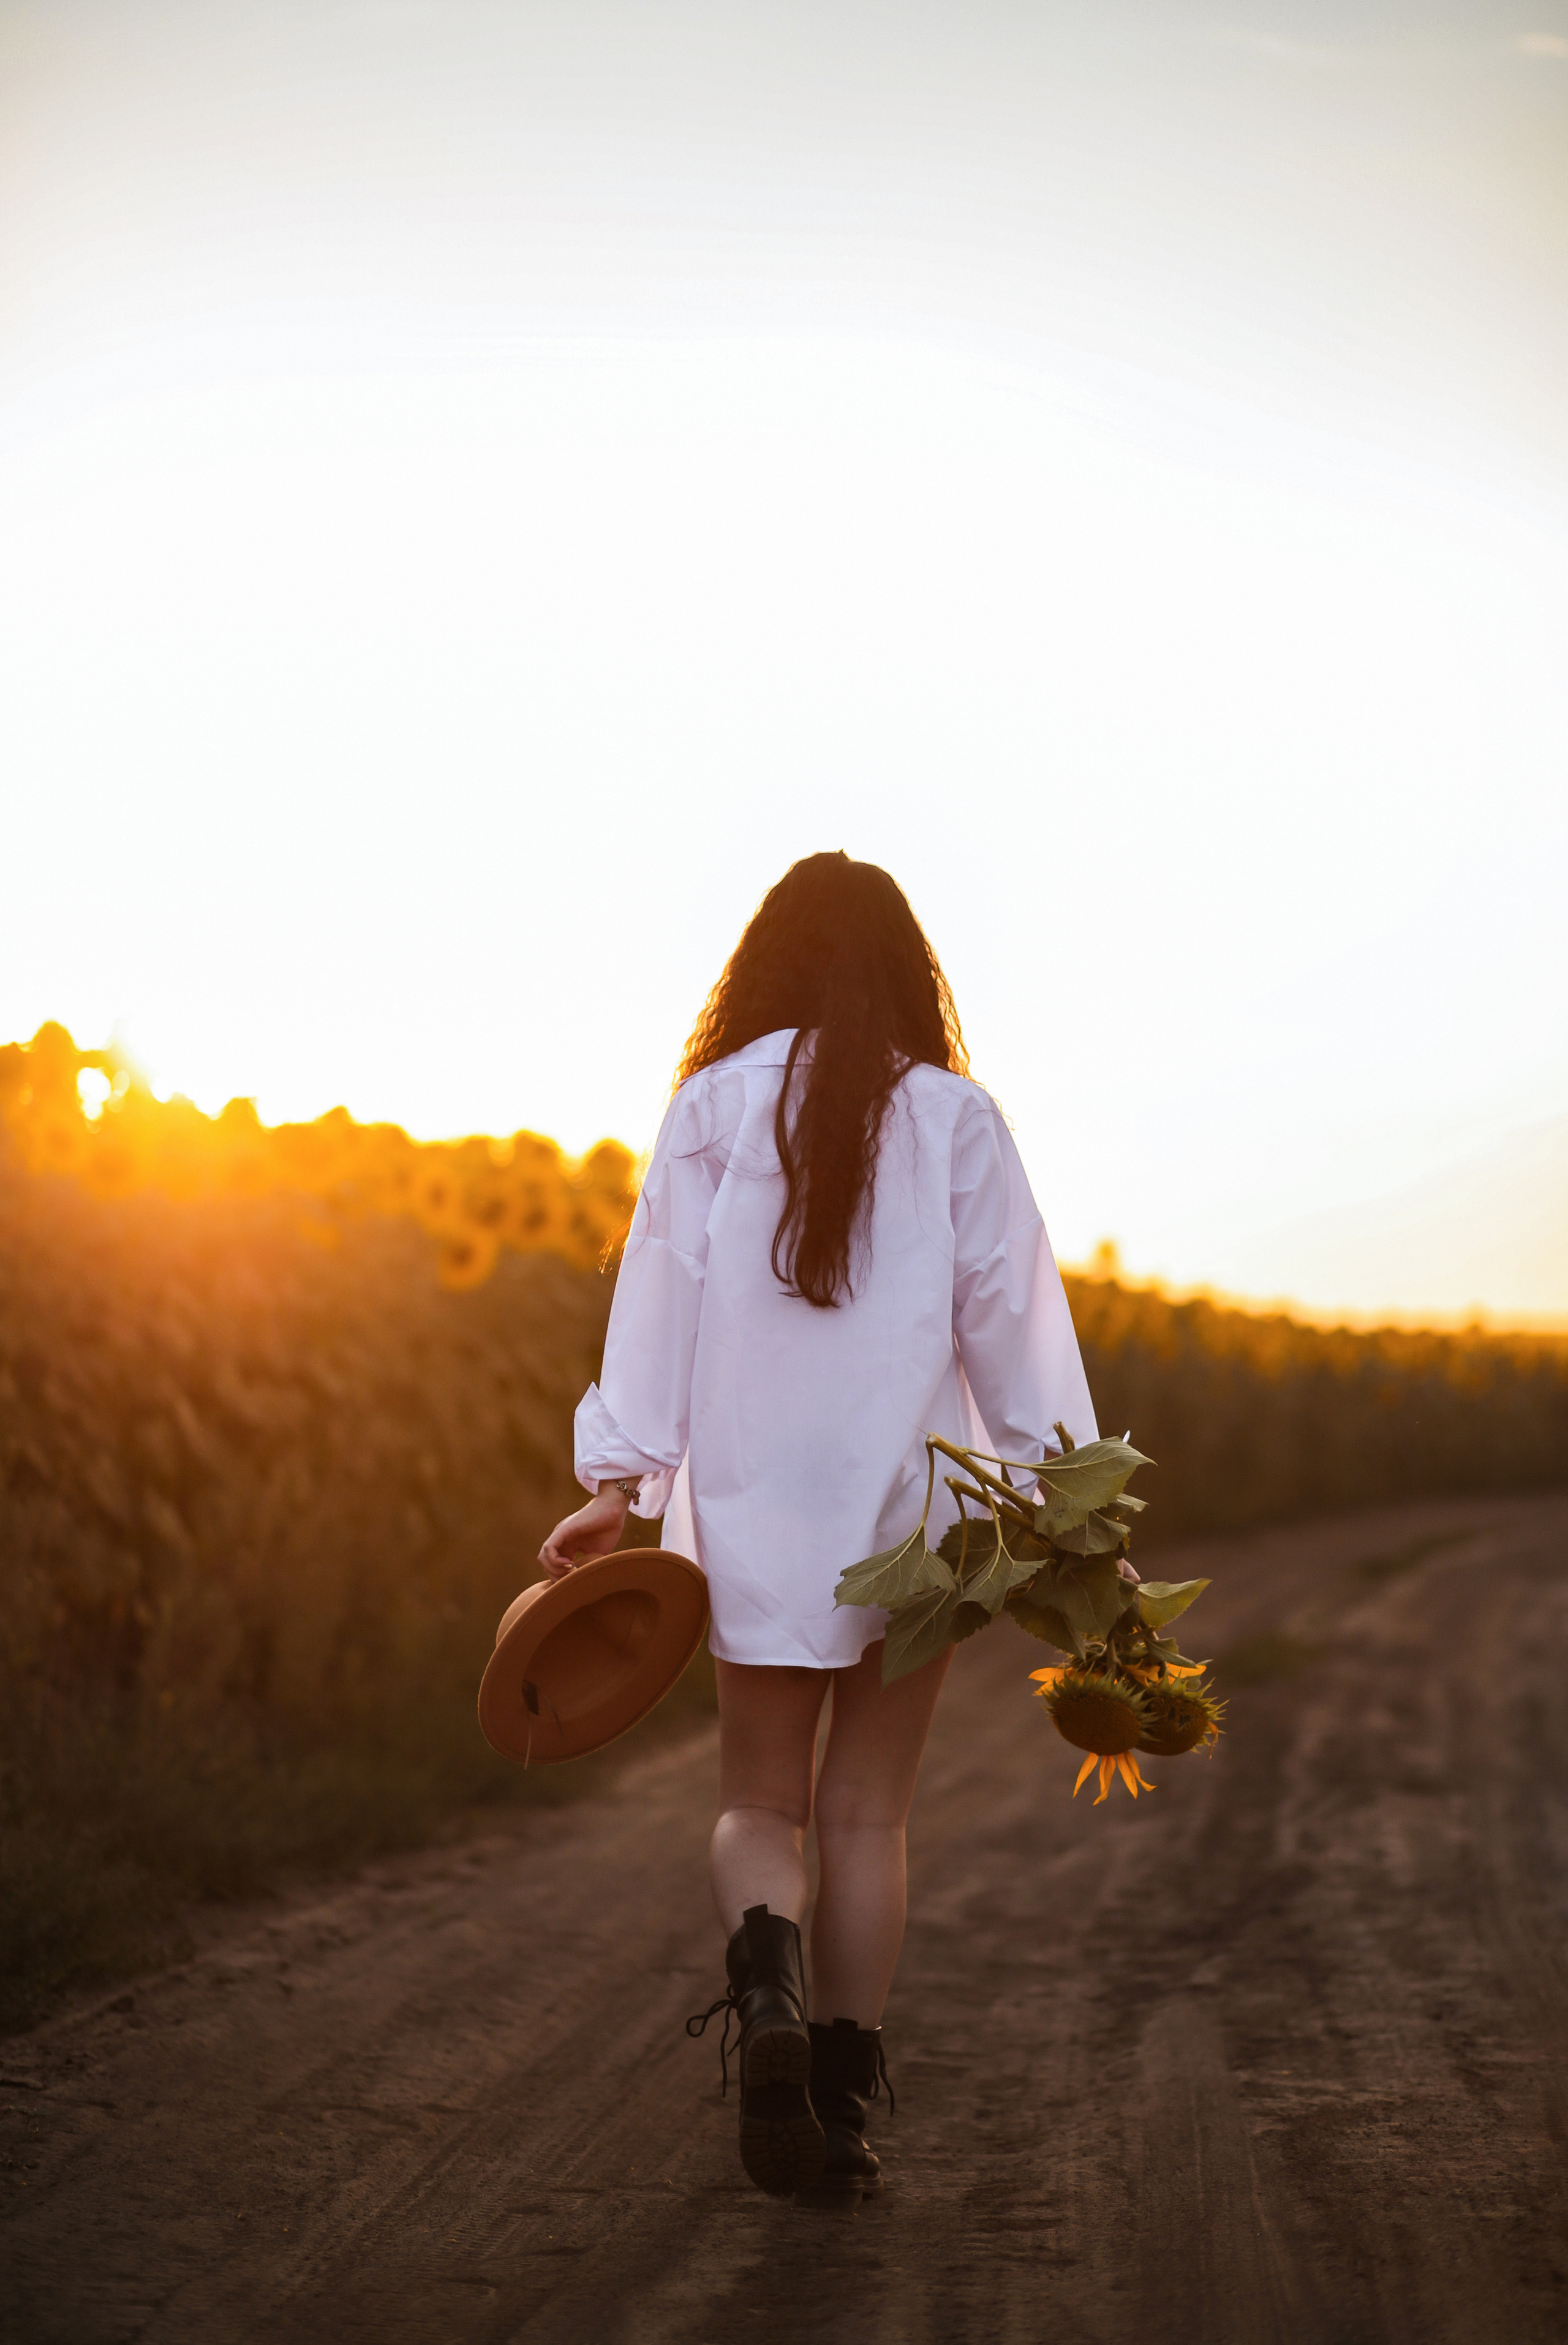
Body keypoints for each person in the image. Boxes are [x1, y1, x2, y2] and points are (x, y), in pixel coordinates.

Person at [537, 851, 1096, 2202]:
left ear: (764, 966)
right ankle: (840, 2111)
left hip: (751, 1509)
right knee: (866, 1817)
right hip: (918, 1512)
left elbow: (657, 1304)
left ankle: (768, 1991)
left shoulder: (710, 1110)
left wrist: (616, 1487)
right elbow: (1011, 1319)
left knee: (756, 1803)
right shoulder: (956, 1119)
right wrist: (1069, 1502)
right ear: (910, 975)